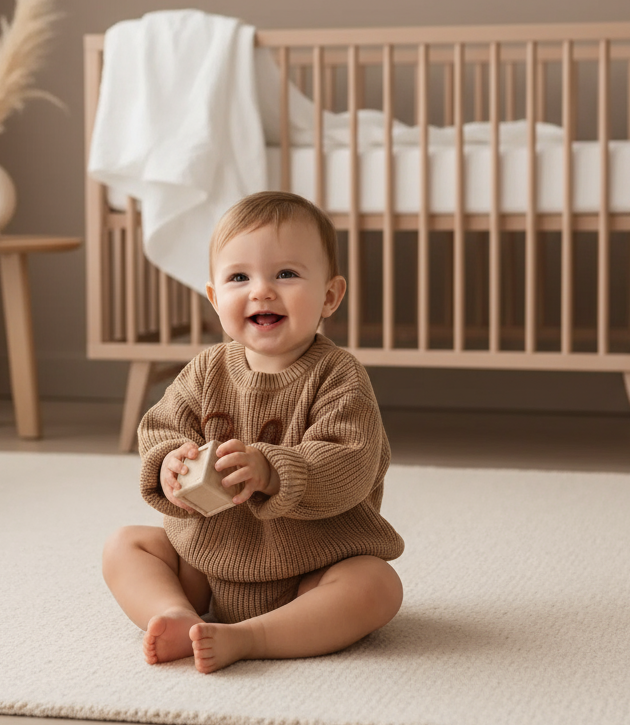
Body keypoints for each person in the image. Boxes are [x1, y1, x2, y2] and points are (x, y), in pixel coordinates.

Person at [102, 191, 405, 674]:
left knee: (378, 586)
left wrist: (274, 471)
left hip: (312, 568)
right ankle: (175, 613)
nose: (261, 290)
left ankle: (250, 638)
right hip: (205, 562)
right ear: (215, 297)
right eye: (239, 277)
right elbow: (160, 428)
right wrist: (169, 465)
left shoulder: (339, 376)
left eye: (285, 274)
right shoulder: (205, 371)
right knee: (125, 545)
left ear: (330, 295)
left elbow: (352, 463)